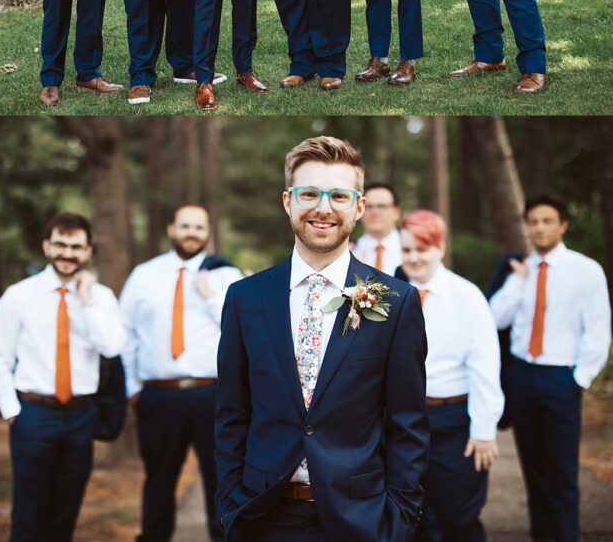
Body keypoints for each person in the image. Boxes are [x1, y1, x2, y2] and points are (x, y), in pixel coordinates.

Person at [215, 135, 428, 541]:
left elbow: (408, 424)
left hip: (361, 517)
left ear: (359, 206)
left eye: (339, 196)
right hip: (263, 515)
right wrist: (229, 505)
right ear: (287, 201)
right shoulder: (245, 298)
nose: (323, 208)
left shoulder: (398, 302)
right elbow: (231, 413)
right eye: (309, 193)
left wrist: (400, 519)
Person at [0, 212, 124, 542]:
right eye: (60, 244)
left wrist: (87, 302)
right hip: (33, 414)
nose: (67, 253)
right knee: (29, 512)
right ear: (47, 247)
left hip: (81, 416)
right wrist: (13, 413)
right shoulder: (18, 296)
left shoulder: (101, 298)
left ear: (88, 251)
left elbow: (113, 346)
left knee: (66, 510)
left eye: (76, 246)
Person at [489, 195, 611, 542]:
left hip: (562, 377)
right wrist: (518, 282)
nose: (539, 228)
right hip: (523, 376)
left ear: (562, 225)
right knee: (534, 470)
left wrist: (579, 380)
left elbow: (598, 330)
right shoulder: (520, 269)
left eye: (547, 221)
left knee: (562, 473)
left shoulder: (586, 270)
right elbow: (495, 318)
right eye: (534, 222)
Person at [119, 204, 243, 542]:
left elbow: (243, 329)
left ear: (208, 233)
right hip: (159, 395)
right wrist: (132, 388)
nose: (192, 233)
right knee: (158, 478)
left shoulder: (227, 277)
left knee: (221, 478)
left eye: (199, 227)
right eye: (185, 226)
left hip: (213, 395)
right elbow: (124, 333)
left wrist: (210, 296)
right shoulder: (144, 275)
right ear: (171, 229)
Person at [401, 210, 504, 541]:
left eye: (422, 249)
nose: (413, 258)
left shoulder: (467, 297)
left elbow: (485, 365)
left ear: (440, 248)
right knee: (415, 517)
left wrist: (484, 429)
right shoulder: (389, 294)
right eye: (406, 250)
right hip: (403, 421)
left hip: (453, 421)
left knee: (458, 516)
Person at [353, 181, 403, 275]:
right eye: (368, 206)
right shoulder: (349, 251)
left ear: (396, 212)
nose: (374, 212)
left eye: (382, 206)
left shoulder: (412, 251)